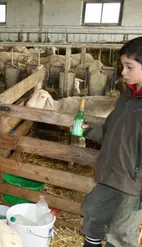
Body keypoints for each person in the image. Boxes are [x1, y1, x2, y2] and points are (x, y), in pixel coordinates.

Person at [80, 37, 142, 247]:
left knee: (121, 233)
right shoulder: (126, 97)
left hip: (133, 183)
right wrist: (89, 132)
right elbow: (111, 132)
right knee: (92, 212)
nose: (123, 73)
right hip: (110, 173)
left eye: (129, 67)